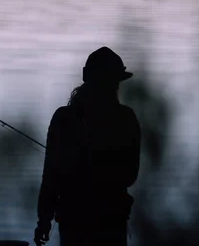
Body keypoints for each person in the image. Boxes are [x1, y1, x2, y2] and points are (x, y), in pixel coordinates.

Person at [34, 46, 141, 246]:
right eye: (113, 83)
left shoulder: (63, 118)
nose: (114, 88)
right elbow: (130, 175)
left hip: (73, 222)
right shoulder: (126, 118)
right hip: (112, 222)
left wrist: (44, 221)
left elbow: (50, 177)